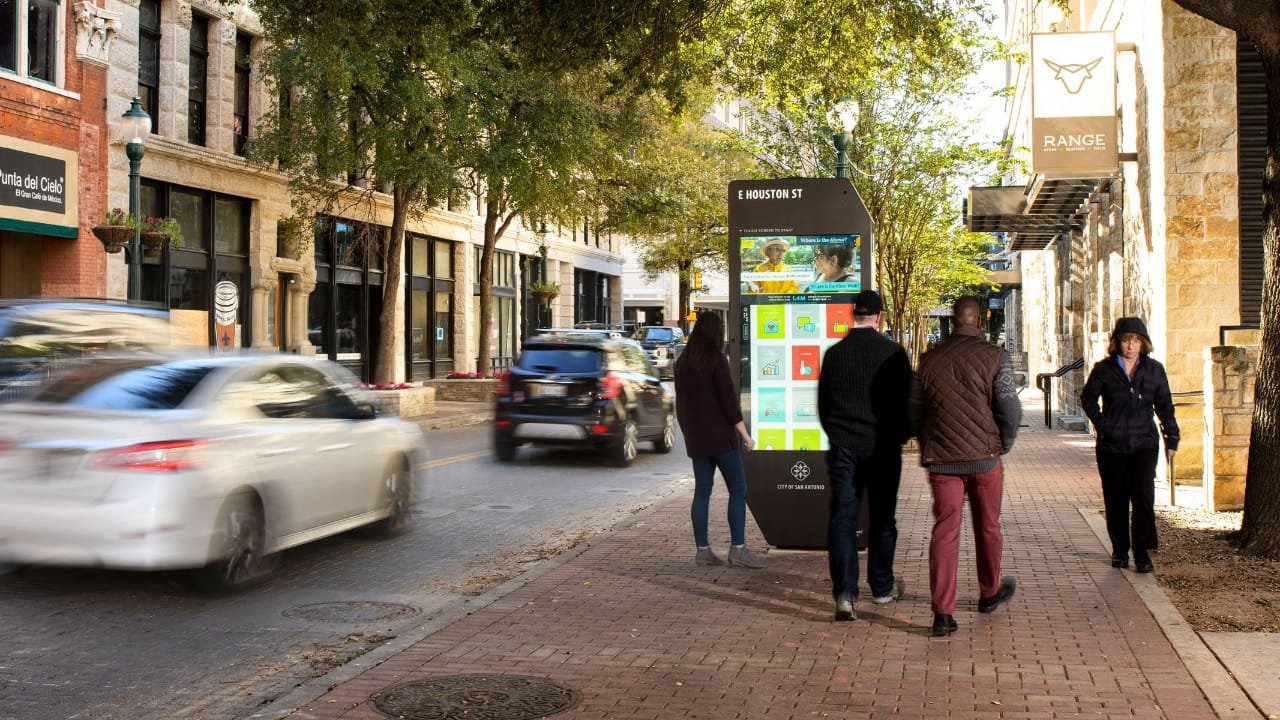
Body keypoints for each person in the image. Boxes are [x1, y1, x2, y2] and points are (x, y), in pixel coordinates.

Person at [912, 296, 1020, 637]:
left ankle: (943, 613)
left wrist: (929, 437)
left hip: (942, 460)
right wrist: (1003, 442)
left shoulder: (928, 360)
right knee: (988, 527)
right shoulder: (995, 357)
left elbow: (913, 410)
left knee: (945, 530)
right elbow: (1010, 408)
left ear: (954, 319)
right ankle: (989, 593)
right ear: (979, 319)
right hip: (985, 458)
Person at [817, 289, 913, 621]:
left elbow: (823, 406)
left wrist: (838, 435)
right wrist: (901, 436)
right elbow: (907, 404)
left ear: (852, 315)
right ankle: (882, 587)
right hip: (883, 448)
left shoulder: (835, 354)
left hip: (844, 448)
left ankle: (844, 595)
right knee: (883, 518)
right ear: (879, 317)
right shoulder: (893, 354)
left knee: (843, 519)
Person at [1080, 317, 1179, 574]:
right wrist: (1103, 424)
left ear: (1143, 343)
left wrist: (1172, 438)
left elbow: (1165, 405)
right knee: (1116, 499)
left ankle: (1142, 552)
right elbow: (1088, 398)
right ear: (1117, 343)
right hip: (1112, 446)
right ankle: (1120, 549)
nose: (1131, 346)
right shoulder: (1104, 369)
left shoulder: (1154, 370)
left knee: (1144, 498)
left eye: (1136, 340)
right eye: (1126, 340)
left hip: (1144, 443)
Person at [673, 311, 768, 569]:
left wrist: (688, 432)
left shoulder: (682, 364)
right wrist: (746, 436)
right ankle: (738, 549)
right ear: (717, 333)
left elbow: (680, 406)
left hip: (697, 440)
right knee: (738, 489)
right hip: (721, 440)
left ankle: (702, 550)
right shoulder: (717, 361)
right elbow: (729, 403)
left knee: (702, 492)